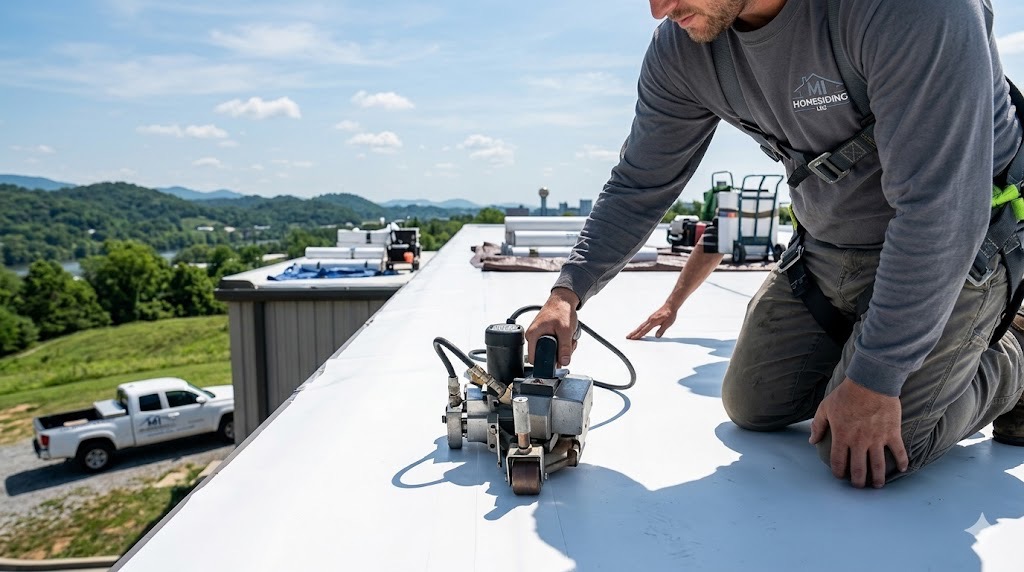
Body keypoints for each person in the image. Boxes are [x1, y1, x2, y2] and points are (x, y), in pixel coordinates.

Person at [525, 0, 1024, 489]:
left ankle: (1015, 358)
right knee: (754, 406)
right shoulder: (682, 48)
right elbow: (639, 184)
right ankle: (888, 345)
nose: (659, 10)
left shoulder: (913, 9)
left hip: (959, 246)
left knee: (873, 453)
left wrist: (877, 375)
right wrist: (568, 292)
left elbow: (940, 207)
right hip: (827, 248)